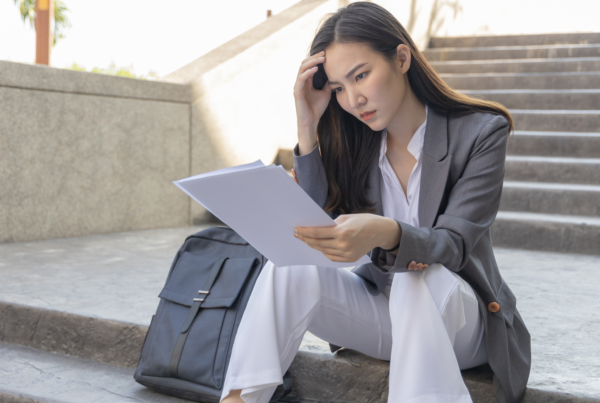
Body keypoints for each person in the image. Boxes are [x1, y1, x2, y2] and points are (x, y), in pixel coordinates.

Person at [220, 2, 531, 403]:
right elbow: (315, 230)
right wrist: (307, 124)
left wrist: (387, 232)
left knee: (416, 276)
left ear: (401, 58)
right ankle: (240, 399)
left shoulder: (480, 133)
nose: (352, 100)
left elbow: (451, 247)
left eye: (361, 76)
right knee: (291, 267)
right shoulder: (356, 141)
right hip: (383, 316)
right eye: (337, 88)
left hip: (461, 323)